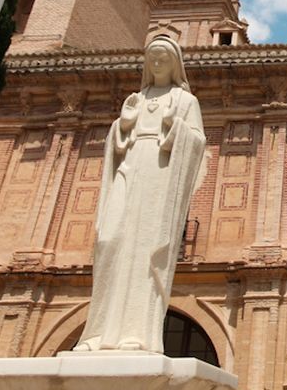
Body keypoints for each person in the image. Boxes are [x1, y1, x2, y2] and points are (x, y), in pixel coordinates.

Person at [74, 35, 205, 352]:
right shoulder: (135, 99)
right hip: (129, 169)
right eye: (153, 57)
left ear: (175, 64)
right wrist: (123, 125)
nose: (157, 62)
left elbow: (197, 142)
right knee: (110, 242)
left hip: (160, 173)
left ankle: (136, 332)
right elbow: (117, 145)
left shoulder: (186, 101)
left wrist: (176, 126)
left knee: (145, 248)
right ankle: (97, 334)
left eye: (163, 57)